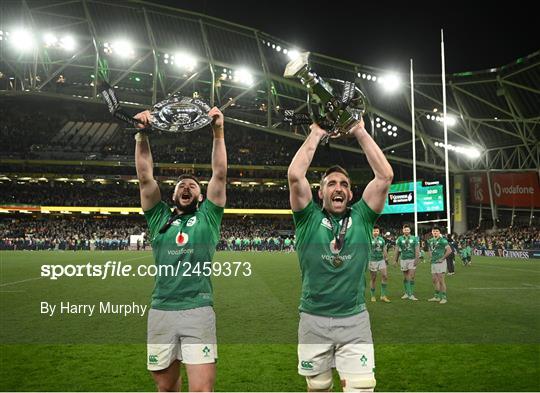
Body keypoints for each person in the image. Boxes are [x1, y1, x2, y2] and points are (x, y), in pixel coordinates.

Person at [288, 117, 393, 391]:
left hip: (354, 321)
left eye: (344, 184)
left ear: (350, 192)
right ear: (320, 192)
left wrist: (359, 130)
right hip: (313, 319)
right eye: (331, 183)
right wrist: (316, 133)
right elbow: (296, 175)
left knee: (361, 388)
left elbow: (384, 177)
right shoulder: (307, 218)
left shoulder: (362, 216)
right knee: (319, 388)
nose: (338, 187)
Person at [134, 107, 227, 391]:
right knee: (166, 387)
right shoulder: (158, 216)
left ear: (200, 195)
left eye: (193, 186)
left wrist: (218, 130)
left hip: (198, 309)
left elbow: (220, 174)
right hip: (162, 309)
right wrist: (141, 134)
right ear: (173, 194)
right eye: (181, 185)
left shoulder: (209, 216)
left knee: (201, 389)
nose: (187, 187)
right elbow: (145, 177)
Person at [394, 224, 420, 300]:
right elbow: (397, 250)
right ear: (403, 230)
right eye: (405, 229)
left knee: (411, 276)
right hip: (403, 259)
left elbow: (417, 249)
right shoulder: (399, 239)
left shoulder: (414, 238)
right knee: (405, 277)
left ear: (410, 230)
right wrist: (395, 260)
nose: (406, 231)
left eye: (407, 229)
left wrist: (416, 259)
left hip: (412, 259)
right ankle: (406, 293)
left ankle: (411, 294)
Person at [427, 226, 452, 304]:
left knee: (441, 280)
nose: (435, 232)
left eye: (436, 231)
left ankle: (444, 297)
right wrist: (431, 257)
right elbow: (430, 249)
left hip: (440, 262)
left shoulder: (443, 240)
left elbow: (449, 250)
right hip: (433, 262)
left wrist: (442, 258)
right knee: (434, 280)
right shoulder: (430, 240)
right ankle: (436, 297)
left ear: (439, 232)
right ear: (432, 232)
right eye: (434, 231)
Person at [368, 225, 390, 303]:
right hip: (372, 260)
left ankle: (383, 295)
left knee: (385, 276)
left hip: (381, 260)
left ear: (379, 232)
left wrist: (386, 258)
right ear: (372, 232)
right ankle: (373, 295)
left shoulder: (382, 240)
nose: (375, 232)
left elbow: (384, 249)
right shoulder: (368, 239)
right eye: (374, 231)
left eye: (377, 231)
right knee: (373, 278)